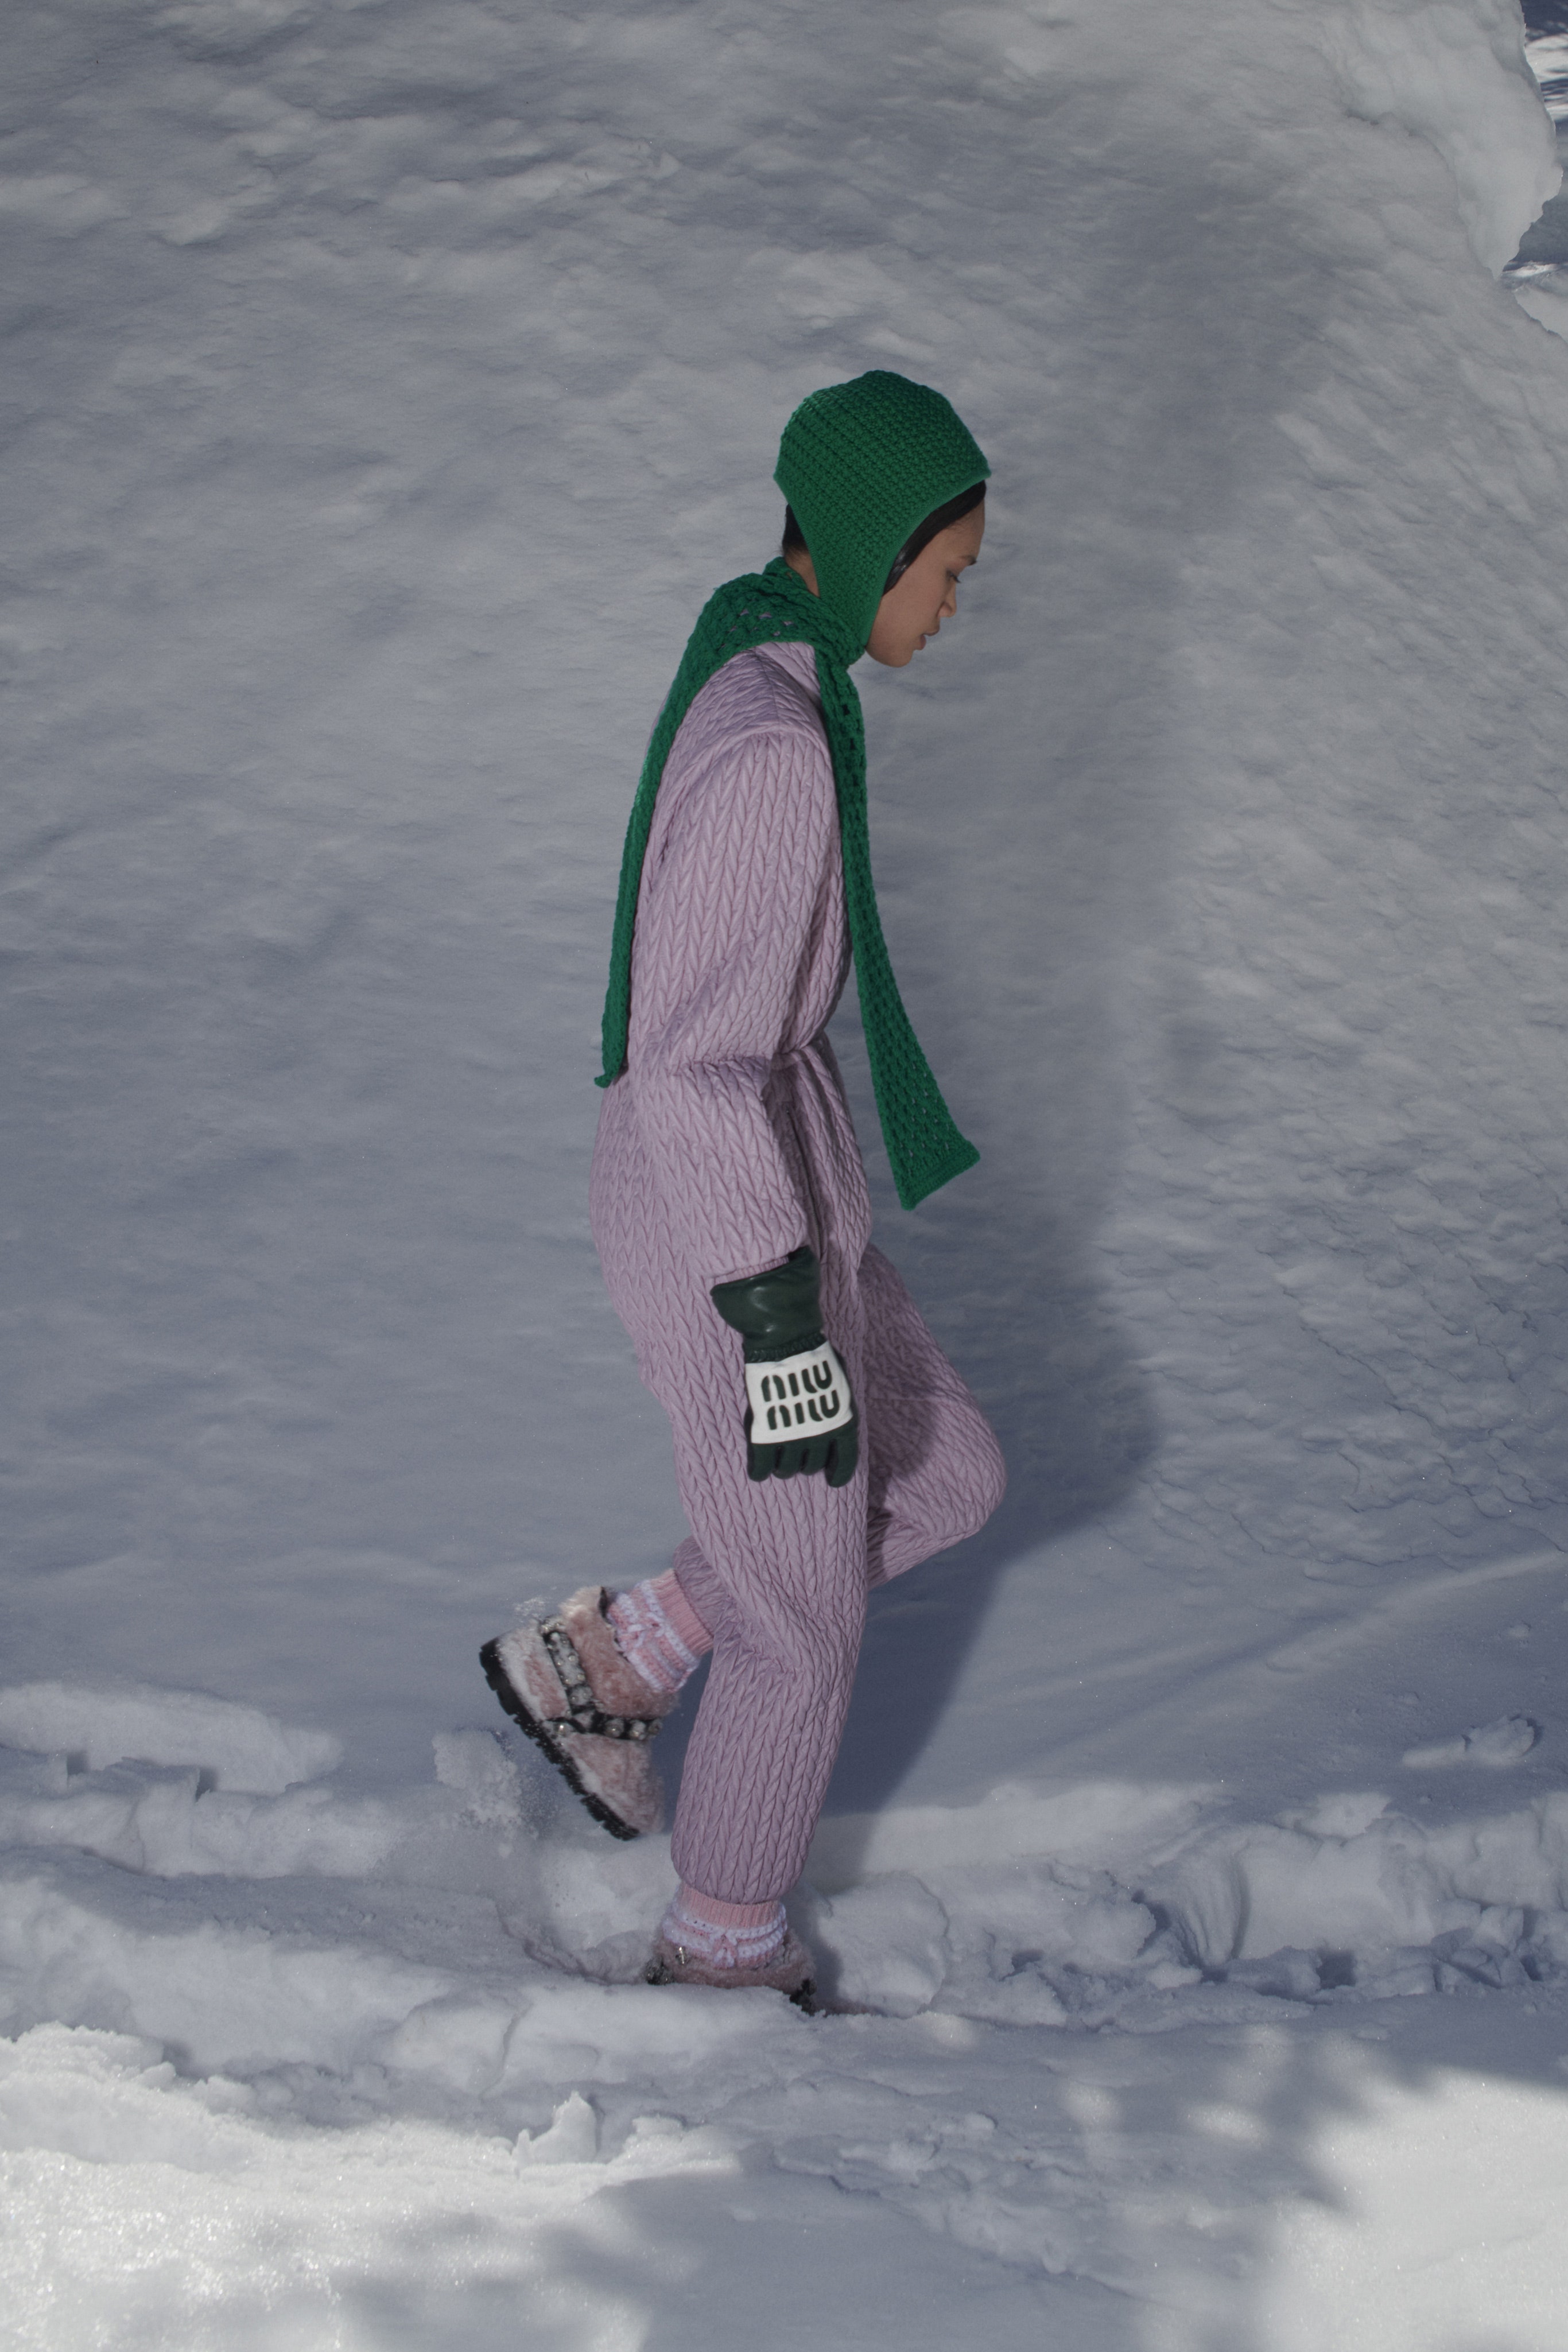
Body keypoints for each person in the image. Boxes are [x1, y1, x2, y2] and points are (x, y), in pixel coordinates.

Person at [482, 371, 1006, 2007]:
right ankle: (722, 1954)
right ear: (871, 543)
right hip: (726, 1226)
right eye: (945, 571)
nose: (951, 604)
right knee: (800, 1626)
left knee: (947, 1471)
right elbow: (690, 1062)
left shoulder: (767, 655)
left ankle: (615, 1655)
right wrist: (777, 1324)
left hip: (787, 1186)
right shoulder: (776, 742)